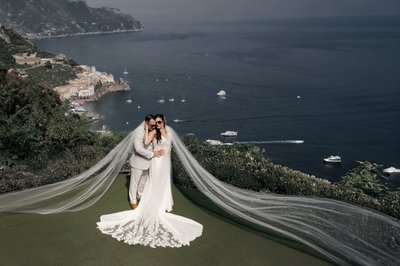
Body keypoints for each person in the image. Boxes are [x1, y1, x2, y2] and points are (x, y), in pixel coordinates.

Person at [97, 114, 203, 247]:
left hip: (165, 162)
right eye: (155, 123)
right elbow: (144, 144)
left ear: (163, 121)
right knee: (147, 181)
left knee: (161, 182)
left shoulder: (170, 131)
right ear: (149, 123)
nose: (157, 124)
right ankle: (134, 200)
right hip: (155, 161)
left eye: (159, 122)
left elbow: (173, 146)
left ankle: (162, 202)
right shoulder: (150, 131)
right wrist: (149, 131)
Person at [128, 114, 164, 209]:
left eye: (154, 125)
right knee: (134, 183)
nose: (153, 127)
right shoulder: (138, 132)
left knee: (143, 181)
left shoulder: (151, 130)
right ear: (146, 122)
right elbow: (138, 148)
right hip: (138, 162)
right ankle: (133, 200)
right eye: (151, 125)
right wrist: (152, 154)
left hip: (148, 162)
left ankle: (140, 196)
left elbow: (152, 144)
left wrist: (157, 150)